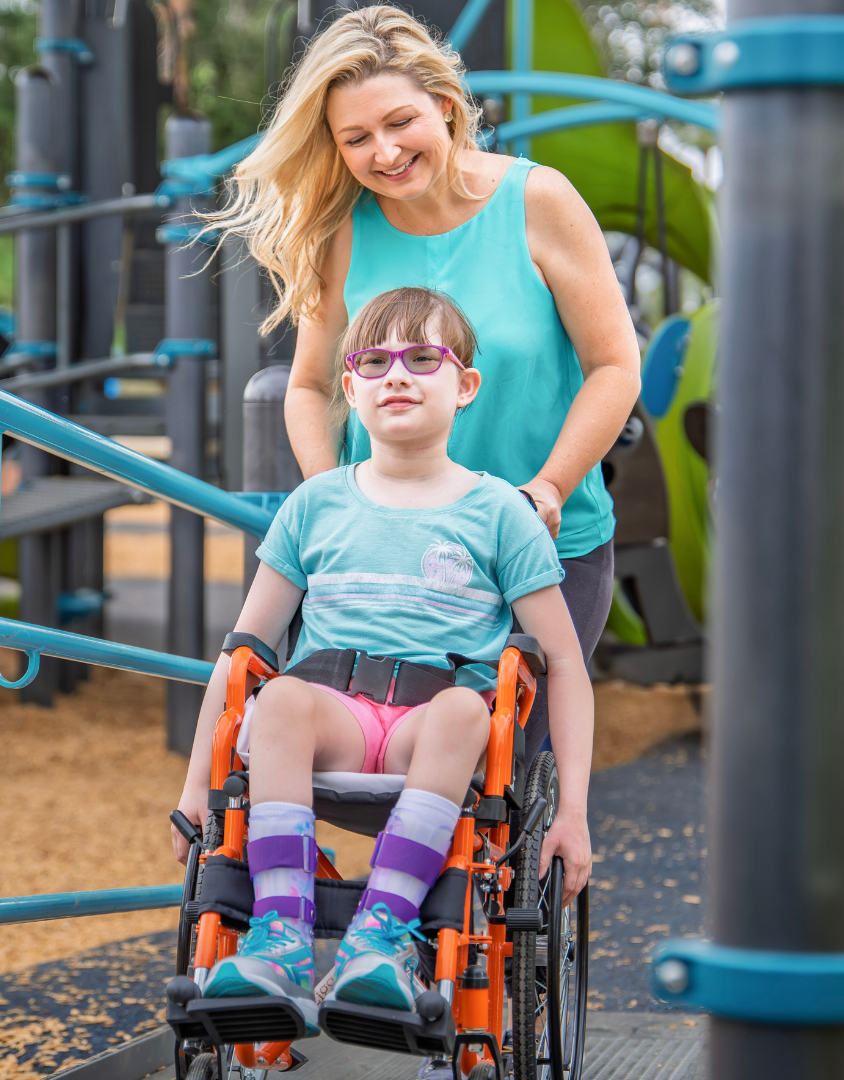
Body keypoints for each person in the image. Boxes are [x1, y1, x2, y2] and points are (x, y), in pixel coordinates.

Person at [170, 288, 594, 1038]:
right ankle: (281, 942)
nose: (397, 375)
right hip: (330, 716)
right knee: (277, 698)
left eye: (422, 358)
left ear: (464, 386)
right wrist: (195, 783)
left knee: (471, 706)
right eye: (375, 360)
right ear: (350, 389)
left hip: (431, 730)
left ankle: (380, 938)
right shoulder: (315, 506)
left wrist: (574, 815)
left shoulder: (500, 513)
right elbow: (240, 652)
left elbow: (562, 661)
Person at [201, 6, 640, 703]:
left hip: (537, 550)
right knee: (383, 775)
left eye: (400, 121)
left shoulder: (539, 200)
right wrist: (331, 503)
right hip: (389, 557)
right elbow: (312, 385)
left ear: (442, 105)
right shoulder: (344, 231)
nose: (383, 151)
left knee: (506, 779)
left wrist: (550, 488)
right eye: (356, 137)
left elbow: (615, 365)